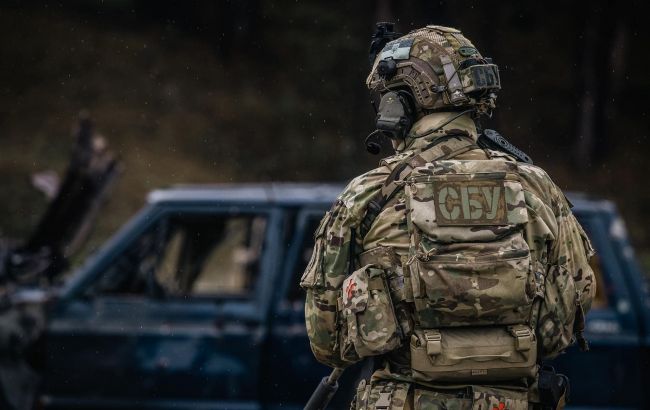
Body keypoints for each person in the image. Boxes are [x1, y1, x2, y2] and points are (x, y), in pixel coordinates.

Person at [300, 23, 596, 409]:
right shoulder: (537, 188)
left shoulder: (368, 195)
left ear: (401, 103)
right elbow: (566, 319)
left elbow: (327, 343)